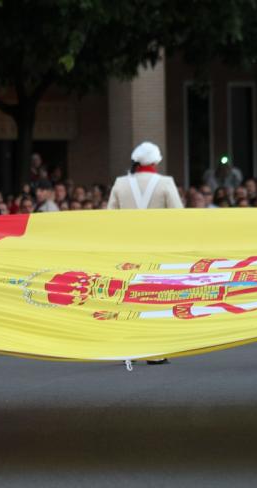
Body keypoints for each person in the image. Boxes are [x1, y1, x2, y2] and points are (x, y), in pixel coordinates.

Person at [108, 141, 182, 365]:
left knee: (127, 299)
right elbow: (179, 216)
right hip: (157, 251)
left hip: (127, 252)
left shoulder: (121, 183)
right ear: (155, 161)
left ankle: (128, 350)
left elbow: (108, 218)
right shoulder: (165, 182)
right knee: (155, 299)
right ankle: (156, 352)